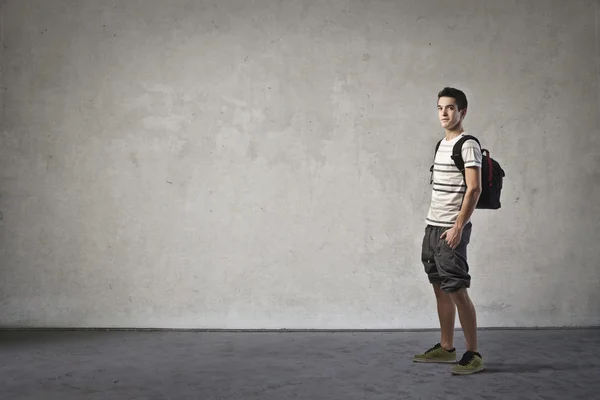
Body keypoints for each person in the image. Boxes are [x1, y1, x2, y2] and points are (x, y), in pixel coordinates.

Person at [413, 87, 484, 375]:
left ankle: (473, 353)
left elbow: (474, 188)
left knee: (457, 289)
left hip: (451, 228)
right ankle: (446, 347)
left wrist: (458, 226)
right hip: (433, 225)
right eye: (440, 107)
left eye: (450, 108)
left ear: (462, 111)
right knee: (439, 287)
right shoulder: (441, 144)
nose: (444, 113)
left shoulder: (468, 144)